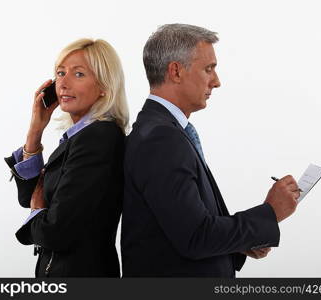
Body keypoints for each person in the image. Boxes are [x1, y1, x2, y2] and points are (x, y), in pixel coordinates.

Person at [121, 24, 300, 277]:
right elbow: (196, 236)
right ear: (176, 71)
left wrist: (241, 243)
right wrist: (270, 214)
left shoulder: (163, 130)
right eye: (209, 69)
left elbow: (182, 228)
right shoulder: (161, 138)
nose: (216, 82)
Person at [4, 38, 129, 277]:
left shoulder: (98, 138)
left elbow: (55, 232)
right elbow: (28, 199)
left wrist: (38, 212)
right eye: (60, 73)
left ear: (105, 86)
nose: (63, 83)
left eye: (79, 74)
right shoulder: (78, 137)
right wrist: (35, 129)